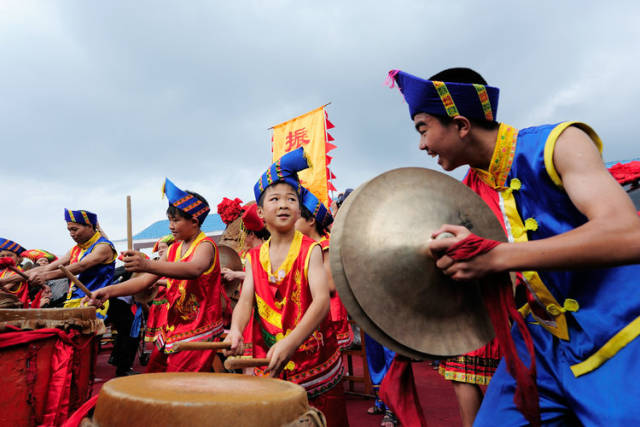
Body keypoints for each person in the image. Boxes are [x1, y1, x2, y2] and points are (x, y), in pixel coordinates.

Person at [388, 67, 640, 426]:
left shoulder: (559, 144)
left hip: (619, 333)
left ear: (460, 125)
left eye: (423, 129)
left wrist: (496, 257)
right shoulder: (468, 193)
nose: (421, 145)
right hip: (538, 346)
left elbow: (627, 234)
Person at [225, 147, 348, 427]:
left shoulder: (311, 250)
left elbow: (321, 302)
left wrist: (291, 342)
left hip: (314, 360)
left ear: (298, 210)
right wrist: (235, 330)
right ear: (260, 212)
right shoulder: (254, 257)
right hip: (270, 357)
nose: (283, 204)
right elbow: (245, 302)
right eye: (275, 199)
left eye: (291, 199)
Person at [87, 178, 224, 373]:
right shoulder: (173, 250)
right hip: (172, 327)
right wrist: (108, 291)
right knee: (155, 375)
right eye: (170, 220)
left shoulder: (205, 246)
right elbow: (144, 281)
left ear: (194, 221)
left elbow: (194, 269)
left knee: (179, 386)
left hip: (198, 327)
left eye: (175, 220)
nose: (170, 226)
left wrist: (147, 264)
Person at [26, 209, 116, 319]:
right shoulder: (75, 250)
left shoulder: (103, 246)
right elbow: (48, 267)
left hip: (94, 302)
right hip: (72, 301)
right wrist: (8, 280)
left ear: (89, 226)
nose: (71, 234)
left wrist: (45, 276)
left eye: (75, 229)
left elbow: (81, 266)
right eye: (69, 230)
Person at [296, 187, 353, 349]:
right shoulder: (311, 246)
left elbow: (330, 286)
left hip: (330, 312)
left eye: (297, 219)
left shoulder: (324, 246)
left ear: (311, 221)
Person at [0, 237, 31, 306]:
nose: (5, 258)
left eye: (9, 255)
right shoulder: (3, 272)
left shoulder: (20, 273)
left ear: (19, 258)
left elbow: (4, 289)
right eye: (2, 256)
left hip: (15, 309)